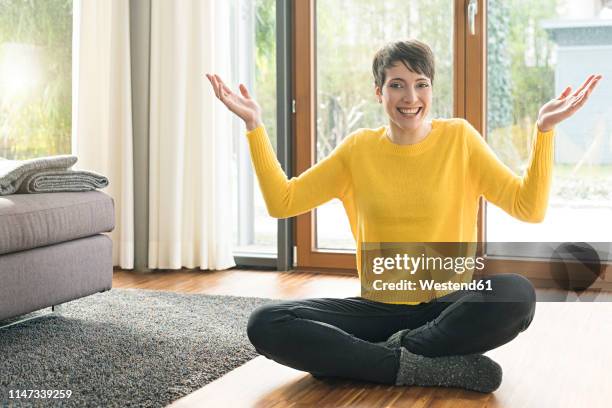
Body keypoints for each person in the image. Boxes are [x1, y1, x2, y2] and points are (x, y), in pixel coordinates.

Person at [206, 39, 601, 393]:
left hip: (447, 307)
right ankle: (413, 364)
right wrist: (255, 126)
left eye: (421, 84)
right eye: (396, 84)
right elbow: (283, 201)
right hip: (377, 309)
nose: (410, 96)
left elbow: (527, 207)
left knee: (517, 294)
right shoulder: (357, 150)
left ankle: (368, 359)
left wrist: (544, 131)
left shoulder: (460, 139)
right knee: (266, 323)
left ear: (431, 89)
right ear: (379, 92)